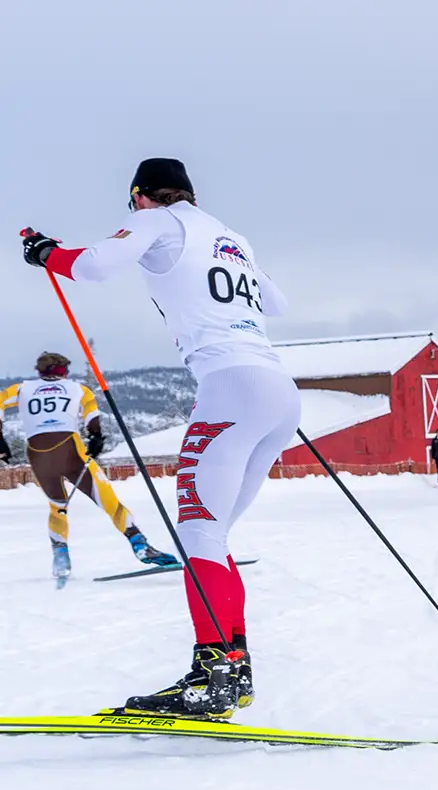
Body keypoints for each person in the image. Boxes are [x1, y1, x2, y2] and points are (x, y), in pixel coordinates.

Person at [21, 158, 303, 717]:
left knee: (199, 535)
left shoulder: (159, 219)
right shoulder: (229, 235)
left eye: (133, 207)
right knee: (211, 537)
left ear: (141, 197)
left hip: (229, 387)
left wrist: (46, 252)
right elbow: (278, 305)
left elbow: (94, 267)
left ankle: (212, 677)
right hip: (277, 390)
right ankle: (234, 671)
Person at [0, 351, 178, 586]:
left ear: (40, 371)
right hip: (69, 450)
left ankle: (61, 559)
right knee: (108, 501)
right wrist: (95, 437)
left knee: (57, 507)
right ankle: (140, 545)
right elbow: (92, 418)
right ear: (64, 371)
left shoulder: (21, 389)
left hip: (38, 453)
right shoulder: (78, 389)